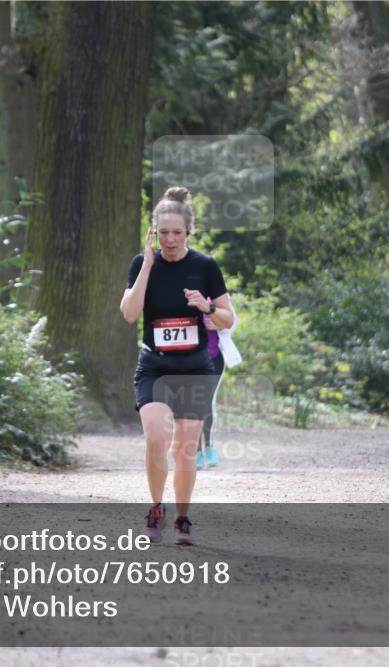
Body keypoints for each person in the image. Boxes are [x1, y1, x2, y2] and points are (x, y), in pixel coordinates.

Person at [119, 187, 234, 545]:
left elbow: (228, 318)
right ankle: (157, 506)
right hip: (155, 365)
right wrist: (149, 265)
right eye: (163, 232)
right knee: (156, 438)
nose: (170, 240)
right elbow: (129, 313)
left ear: (188, 232)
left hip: (195, 368)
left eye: (177, 233)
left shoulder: (204, 266)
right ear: (154, 231)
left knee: (184, 447)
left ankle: (183, 517)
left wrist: (207, 307)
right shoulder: (142, 264)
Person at [196, 298, 242, 469]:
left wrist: (220, 325)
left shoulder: (215, 292)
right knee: (191, 403)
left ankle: (208, 447)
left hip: (213, 358)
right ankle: (195, 452)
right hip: (188, 359)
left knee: (206, 401)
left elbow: (232, 320)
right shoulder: (182, 289)